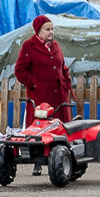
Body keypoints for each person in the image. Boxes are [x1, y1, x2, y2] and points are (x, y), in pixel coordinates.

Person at [14, 15, 72, 174]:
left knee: (60, 129)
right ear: (38, 31)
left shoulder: (56, 46)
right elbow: (20, 70)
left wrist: (66, 82)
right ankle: (37, 162)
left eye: (52, 29)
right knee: (40, 130)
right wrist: (34, 84)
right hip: (41, 97)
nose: (51, 32)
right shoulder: (29, 46)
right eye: (47, 29)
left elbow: (62, 66)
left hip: (59, 96)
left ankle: (64, 160)